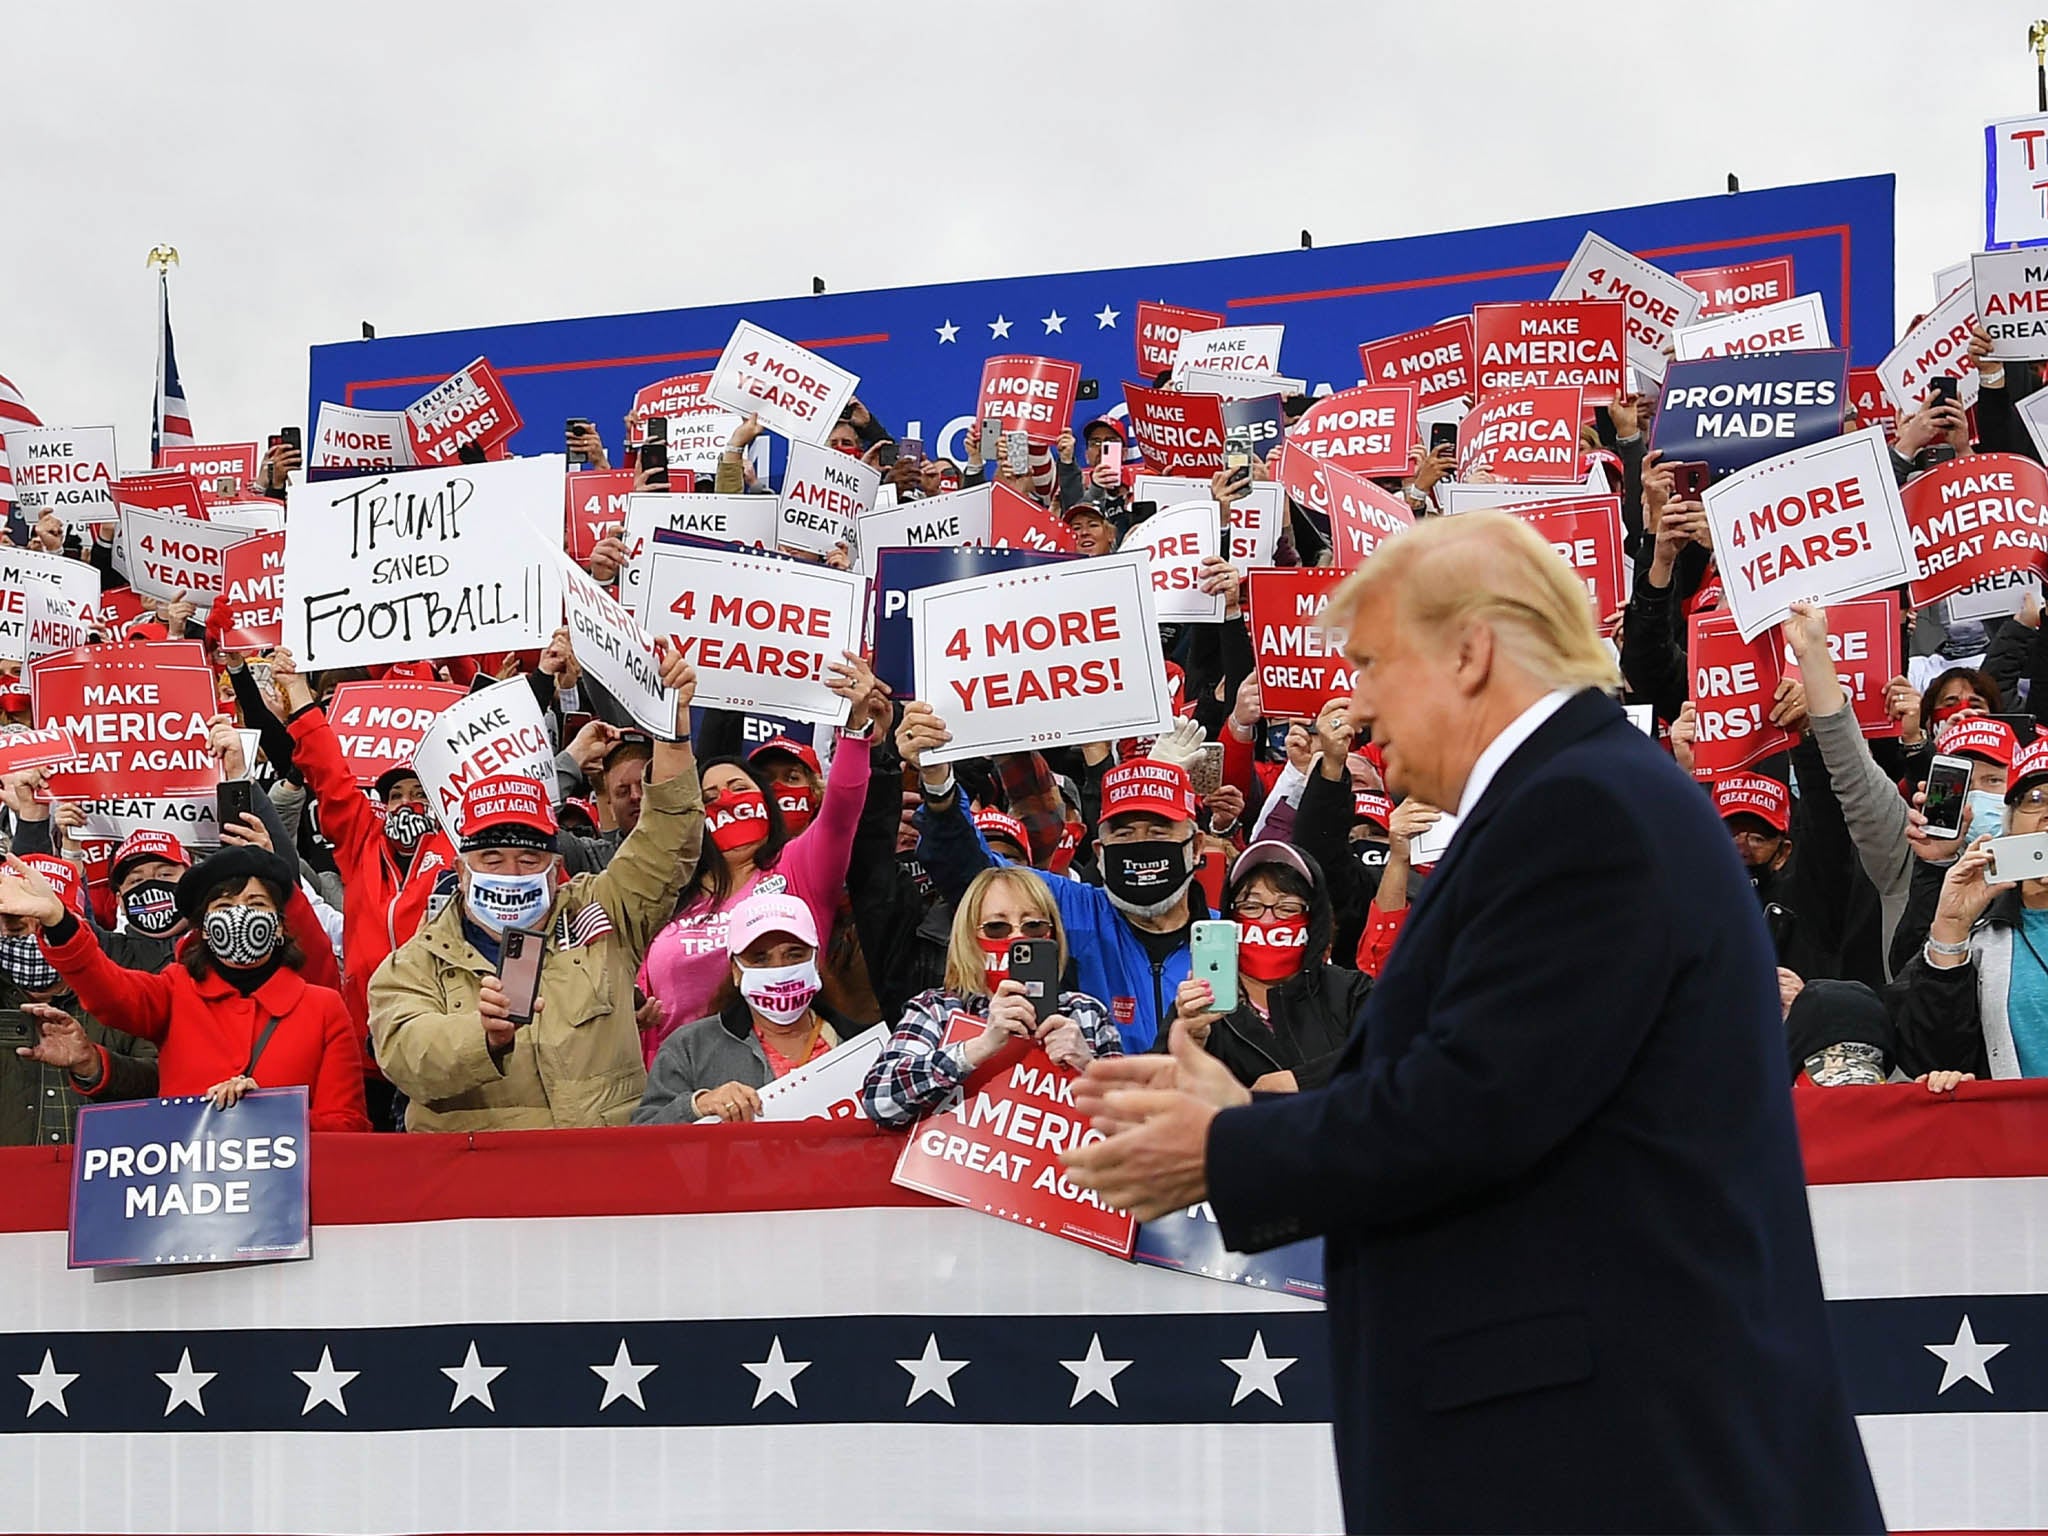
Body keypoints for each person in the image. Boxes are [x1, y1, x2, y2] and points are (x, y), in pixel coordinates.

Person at [1062, 510, 1879, 1533]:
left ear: (1468, 651)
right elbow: (1498, 1081)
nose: (1352, 705)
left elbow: (1474, 1104)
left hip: (1609, 1465)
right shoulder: (1571, 801)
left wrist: (1228, 1148)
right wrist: (1246, 1107)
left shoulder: (1585, 809)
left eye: (1368, 662)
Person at [366, 646, 706, 1131]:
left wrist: (673, 735)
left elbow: (667, 842)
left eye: (529, 860)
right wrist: (481, 1036)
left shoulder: (601, 912)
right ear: (462, 872)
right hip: (486, 1190)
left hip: (603, 1182)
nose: (510, 873)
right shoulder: (414, 962)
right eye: (491, 859)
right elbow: (405, 1052)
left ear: (554, 867)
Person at [905, 702, 1210, 1052]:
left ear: (1196, 846)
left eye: (1158, 833)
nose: (1141, 848)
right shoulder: (1073, 911)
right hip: (1092, 1100)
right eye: (1124, 835)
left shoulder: (1227, 937)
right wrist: (938, 784)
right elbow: (971, 869)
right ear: (1099, 852)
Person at [0, 845, 369, 1131]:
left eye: (255, 903)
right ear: (204, 928)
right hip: (185, 1202)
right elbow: (109, 990)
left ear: (279, 926)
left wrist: (270, 1114)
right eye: (224, 905)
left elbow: (348, 1124)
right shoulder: (175, 990)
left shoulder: (323, 1008)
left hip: (284, 1204)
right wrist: (58, 922)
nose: (239, 914)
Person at [636, 654, 881, 1057]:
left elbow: (841, 811)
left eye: (739, 787)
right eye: (710, 797)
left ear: (767, 805)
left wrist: (855, 728)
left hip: (779, 1070)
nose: (727, 799)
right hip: (681, 1079)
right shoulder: (671, 892)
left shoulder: (798, 867)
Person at [861, 865, 1120, 1126]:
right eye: (997, 927)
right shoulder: (937, 1009)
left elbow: (1135, 1124)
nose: (1018, 937)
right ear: (969, 937)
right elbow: (880, 1101)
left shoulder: (1085, 1013)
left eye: (1033, 926)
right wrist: (978, 1048)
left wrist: (1088, 1067)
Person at [634, 891, 866, 1124]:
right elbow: (641, 1141)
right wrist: (697, 1105)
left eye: (794, 954)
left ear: (815, 960)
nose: (779, 969)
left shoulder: (864, 1046)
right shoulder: (690, 1048)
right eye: (760, 958)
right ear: (735, 969)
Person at [1892, 735, 2048, 1078]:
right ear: (2010, 824)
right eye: (2036, 799)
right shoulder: (1981, 925)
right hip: (2017, 1127)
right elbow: (1932, 1058)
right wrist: (1951, 927)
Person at [1165, 841, 1369, 1092]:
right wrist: (1189, 1042)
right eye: (1251, 907)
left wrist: (1296, 1081)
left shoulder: (1351, 991)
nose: (1267, 919)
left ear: (1314, 919)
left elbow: (1395, 1052)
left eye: (1287, 908)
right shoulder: (1201, 1001)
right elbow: (1153, 1095)